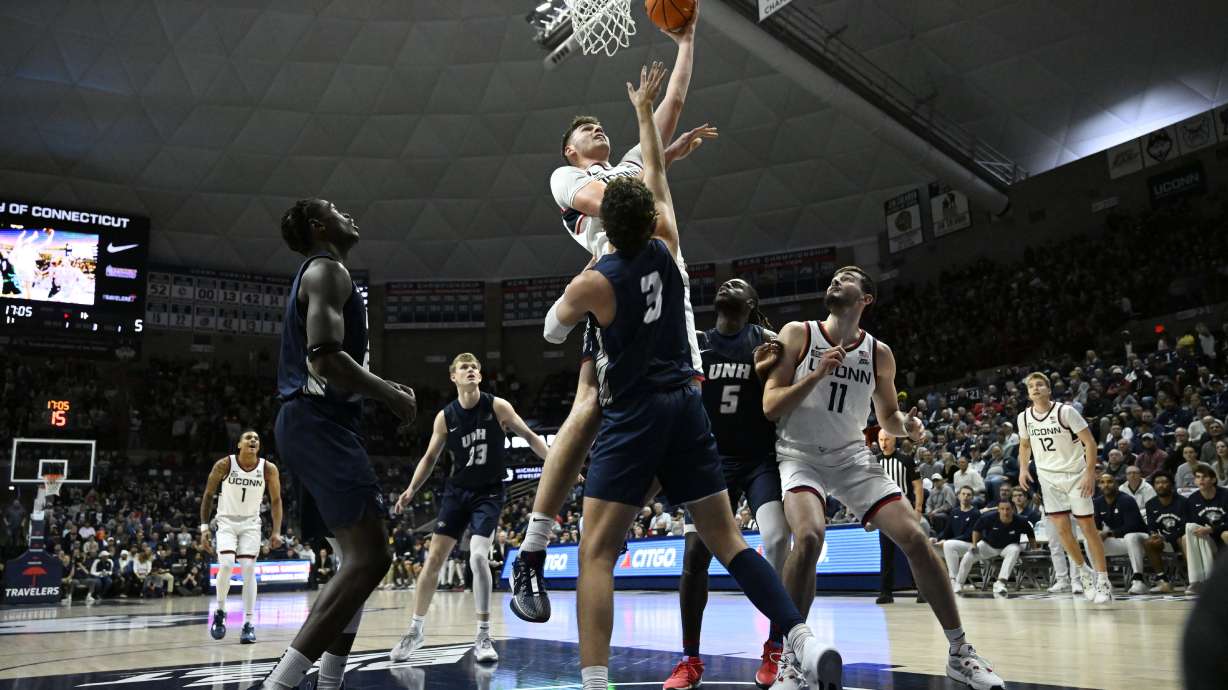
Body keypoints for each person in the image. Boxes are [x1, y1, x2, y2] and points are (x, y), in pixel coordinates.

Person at [540, 63, 841, 690]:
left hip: (636, 408)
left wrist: (564, 305)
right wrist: (650, 127)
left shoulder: (596, 282)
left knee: (597, 550)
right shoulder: (668, 242)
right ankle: (802, 639)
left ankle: (593, 677)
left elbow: (552, 331)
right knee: (730, 542)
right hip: (686, 399)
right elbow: (651, 178)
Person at [510, 6, 713, 624]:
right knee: (588, 406)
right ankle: (532, 551)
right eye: (586, 131)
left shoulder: (627, 166)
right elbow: (617, 202)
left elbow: (671, 105)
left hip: (661, 294)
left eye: (603, 126)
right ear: (570, 151)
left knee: (674, 411)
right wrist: (655, 171)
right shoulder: (567, 181)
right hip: (615, 296)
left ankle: (604, 532)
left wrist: (688, 39)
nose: (598, 131)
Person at [755, 263, 1004, 690]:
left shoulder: (879, 353)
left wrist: (906, 425)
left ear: (865, 298)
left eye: (847, 277)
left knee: (917, 538)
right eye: (833, 276)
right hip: (799, 456)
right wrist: (816, 375)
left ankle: (960, 652)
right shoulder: (798, 333)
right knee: (810, 537)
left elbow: (887, 417)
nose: (835, 280)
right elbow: (770, 405)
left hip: (852, 458)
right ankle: (791, 661)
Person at [258, 198, 418, 690]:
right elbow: (325, 358)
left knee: (357, 564)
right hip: (317, 422)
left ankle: (330, 681)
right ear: (317, 226)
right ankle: (281, 683)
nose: (350, 213)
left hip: (311, 423)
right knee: (372, 558)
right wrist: (390, 394)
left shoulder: (321, 274)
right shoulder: (328, 270)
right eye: (335, 209)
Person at [666, 277, 788, 690]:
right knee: (695, 557)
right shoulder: (695, 342)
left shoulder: (769, 341)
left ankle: (775, 648)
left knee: (775, 539)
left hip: (758, 461)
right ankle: (689, 660)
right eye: (724, 283)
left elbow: (782, 398)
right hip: (709, 462)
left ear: (752, 303)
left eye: (739, 285)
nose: (727, 285)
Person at [390, 353, 548, 664]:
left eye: (475, 366)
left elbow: (530, 437)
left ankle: (483, 634)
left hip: (488, 494)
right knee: (433, 560)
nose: (471, 370)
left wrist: (559, 463)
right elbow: (429, 459)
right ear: (454, 377)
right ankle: (415, 630)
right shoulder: (445, 417)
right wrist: (411, 489)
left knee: (477, 556)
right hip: (457, 492)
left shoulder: (497, 406)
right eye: (464, 367)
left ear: (480, 375)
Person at [1017, 371, 1112, 603]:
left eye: (1040, 385)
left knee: (1087, 528)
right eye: (1031, 386)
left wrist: (1090, 473)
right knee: (1062, 531)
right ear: (1028, 393)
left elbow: (1089, 442)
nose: (1035, 388)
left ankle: (1103, 580)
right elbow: (1025, 445)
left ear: (1049, 389)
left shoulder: (1066, 411)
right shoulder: (1024, 417)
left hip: (1075, 475)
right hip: (1048, 478)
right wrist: (1022, 469)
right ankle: (1084, 572)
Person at [201, 430, 282, 643]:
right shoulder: (224, 465)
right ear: (239, 445)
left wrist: (276, 531)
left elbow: (276, 500)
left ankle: (248, 623)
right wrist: (203, 528)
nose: (253, 440)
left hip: (250, 524)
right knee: (226, 565)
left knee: (248, 570)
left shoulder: (268, 469)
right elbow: (208, 494)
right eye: (248, 438)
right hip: (226, 521)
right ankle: (220, 612)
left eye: (256, 438)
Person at [875, 429, 924, 604]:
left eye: (886, 439)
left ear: (894, 439)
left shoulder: (906, 460)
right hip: (884, 514)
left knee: (912, 552)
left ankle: (923, 590)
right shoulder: (875, 462)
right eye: (880, 439)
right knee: (886, 555)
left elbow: (918, 486)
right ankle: (886, 592)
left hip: (905, 512)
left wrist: (918, 509)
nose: (883, 443)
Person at [953, 500, 1037, 595]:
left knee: (1015, 549)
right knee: (969, 555)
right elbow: (976, 530)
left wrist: (1034, 550)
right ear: (998, 510)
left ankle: (1000, 583)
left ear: (1013, 509)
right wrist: (974, 544)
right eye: (1002, 509)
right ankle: (959, 583)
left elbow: (1031, 535)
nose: (1005, 512)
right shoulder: (988, 518)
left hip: (1008, 547)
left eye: (1008, 509)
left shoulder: (1021, 520)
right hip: (989, 546)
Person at [1092, 474, 1149, 595]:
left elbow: (1132, 526)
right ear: (1099, 485)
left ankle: (1138, 581)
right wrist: (1097, 533)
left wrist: (1107, 533)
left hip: (1141, 540)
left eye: (1109, 482)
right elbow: (1095, 526)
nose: (1106, 485)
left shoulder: (1127, 500)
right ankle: (1102, 581)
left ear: (1116, 485)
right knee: (1091, 540)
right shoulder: (1097, 502)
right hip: (1119, 541)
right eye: (1102, 482)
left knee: (1130, 536)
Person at [1184, 464, 1228, 594]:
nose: (1201, 480)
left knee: (1226, 534)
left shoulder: (1225, 495)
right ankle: (1197, 581)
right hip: (1208, 540)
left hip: (1221, 537)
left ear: (1213, 480)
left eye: (1204, 477)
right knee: (1187, 536)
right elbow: (1194, 526)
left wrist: (1212, 529)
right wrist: (1206, 532)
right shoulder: (1192, 499)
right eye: (1198, 477)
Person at [1144, 472, 1187, 593]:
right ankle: (1162, 580)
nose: (1161, 485)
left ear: (1172, 485)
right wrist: (1154, 535)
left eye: (1164, 482)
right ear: (1153, 486)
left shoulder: (1183, 502)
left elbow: (1185, 526)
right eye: (1157, 483)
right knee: (1149, 542)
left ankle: (1191, 579)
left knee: (1182, 538)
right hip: (1164, 540)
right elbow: (1152, 526)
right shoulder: (1151, 504)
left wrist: (1166, 537)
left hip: (1181, 538)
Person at [938, 487, 982, 591]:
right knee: (929, 546)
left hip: (970, 545)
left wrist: (947, 541)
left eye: (968, 495)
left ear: (972, 498)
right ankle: (936, 581)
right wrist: (936, 539)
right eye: (963, 494)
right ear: (958, 496)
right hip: (954, 546)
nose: (965, 497)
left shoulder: (975, 513)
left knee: (948, 544)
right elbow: (946, 531)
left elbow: (969, 535)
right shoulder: (954, 512)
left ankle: (953, 579)